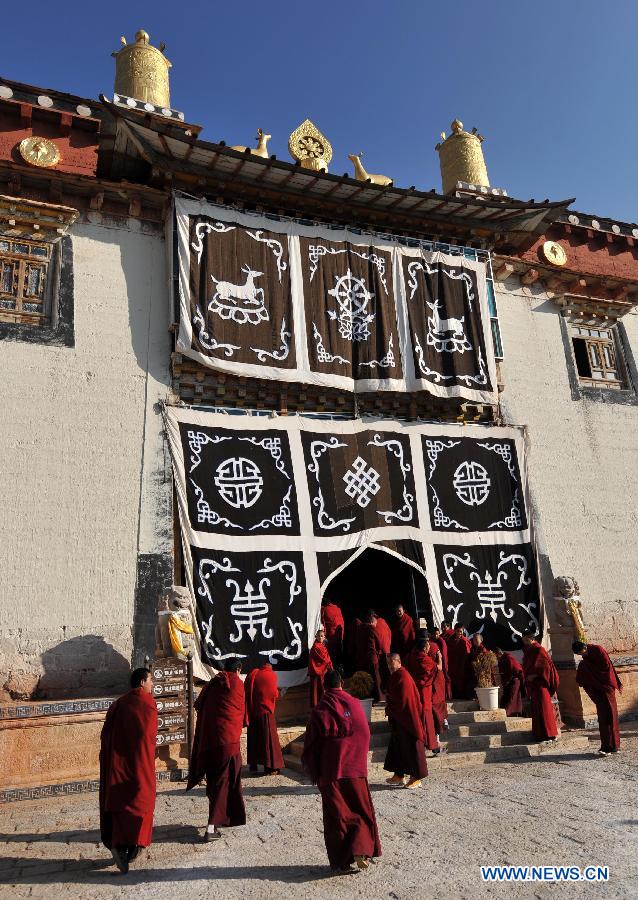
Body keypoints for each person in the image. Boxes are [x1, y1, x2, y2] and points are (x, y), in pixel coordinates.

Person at [302, 669, 382, 873]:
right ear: (341, 684)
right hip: (356, 769)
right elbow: (364, 732)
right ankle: (361, 848)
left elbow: (311, 745)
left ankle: (342, 861)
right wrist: (359, 758)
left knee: (337, 816)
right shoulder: (355, 704)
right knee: (360, 809)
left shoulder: (320, 709)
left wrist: (316, 770)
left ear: (324, 686)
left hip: (332, 772)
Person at [100, 667, 158, 874]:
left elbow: (105, 736)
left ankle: (118, 845)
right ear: (142, 682)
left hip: (117, 765)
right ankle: (138, 844)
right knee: (144, 802)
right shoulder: (147, 703)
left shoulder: (118, 704)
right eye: (150, 680)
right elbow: (147, 739)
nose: (152, 684)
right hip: (140, 764)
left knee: (120, 803)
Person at [187, 658, 246, 841]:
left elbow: (200, 706)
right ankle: (211, 827)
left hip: (209, 741)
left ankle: (220, 819)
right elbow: (240, 713)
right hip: (227, 743)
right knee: (223, 783)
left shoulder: (213, 683)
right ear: (237, 670)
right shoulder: (236, 683)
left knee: (215, 782)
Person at [384, 653, 428, 788]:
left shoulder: (403, 676)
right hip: (400, 718)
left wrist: (391, 707)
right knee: (397, 747)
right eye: (388, 663)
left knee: (411, 747)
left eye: (392, 662)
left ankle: (416, 777)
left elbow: (404, 701)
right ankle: (399, 775)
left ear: (399, 661)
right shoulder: (396, 675)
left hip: (409, 719)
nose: (390, 666)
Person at [573, 640, 622, 756]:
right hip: (598, 688)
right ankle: (605, 745)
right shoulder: (586, 657)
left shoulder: (597, 650)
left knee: (611, 715)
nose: (582, 656)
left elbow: (606, 667)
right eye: (580, 655)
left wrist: (589, 671)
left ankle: (614, 746)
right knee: (603, 718)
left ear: (585, 647)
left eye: (582, 653)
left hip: (606, 686)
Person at [244, 662, 284, 775]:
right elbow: (273, 693)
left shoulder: (253, 674)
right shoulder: (271, 675)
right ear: (270, 667)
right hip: (266, 711)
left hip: (253, 710)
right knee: (269, 740)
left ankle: (253, 764)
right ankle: (270, 767)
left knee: (255, 738)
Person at [521, 632, 559, 743]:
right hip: (534, 686)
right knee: (538, 710)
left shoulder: (539, 649)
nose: (523, 642)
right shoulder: (530, 650)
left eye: (524, 639)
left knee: (544, 709)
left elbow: (545, 667)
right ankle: (540, 735)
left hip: (540, 685)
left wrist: (534, 676)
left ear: (529, 638)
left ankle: (549, 735)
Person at [406, 637, 440, 753]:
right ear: (425, 648)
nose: (430, 648)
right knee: (426, 715)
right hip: (425, 690)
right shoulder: (425, 659)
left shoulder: (411, 656)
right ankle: (431, 744)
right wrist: (439, 658)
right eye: (428, 646)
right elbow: (437, 668)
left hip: (414, 689)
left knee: (416, 713)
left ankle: (418, 742)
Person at [354, 611, 384, 701]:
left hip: (362, 658)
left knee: (366, 679)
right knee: (376, 678)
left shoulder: (359, 629)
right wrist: (379, 652)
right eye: (375, 623)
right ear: (372, 622)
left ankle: (367, 697)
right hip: (372, 657)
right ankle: (378, 697)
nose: (376, 625)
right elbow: (379, 643)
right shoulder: (372, 629)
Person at [427, 633, 449, 737]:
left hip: (434, 676)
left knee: (436, 700)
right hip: (437, 676)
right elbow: (441, 658)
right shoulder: (434, 645)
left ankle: (443, 720)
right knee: (439, 700)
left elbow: (439, 664)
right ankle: (444, 720)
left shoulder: (430, 646)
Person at [495, 648, 525, 716]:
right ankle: (509, 712)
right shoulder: (502, 659)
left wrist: (509, 679)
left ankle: (509, 713)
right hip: (508, 681)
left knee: (512, 698)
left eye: (496, 656)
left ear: (499, 653)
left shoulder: (509, 658)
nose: (496, 658)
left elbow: (517, 669)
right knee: (506, 698)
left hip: (514, 681)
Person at [308, 627, 332, 708]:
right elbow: (325, 660)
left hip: (322, 673)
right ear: (316, 636)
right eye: (319, 636)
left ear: (324, 637)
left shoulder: (322, 646)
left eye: (322, 636)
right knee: (317, 692)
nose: (320, 637)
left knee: (322, 691)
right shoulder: (316, 647)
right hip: (317, 673)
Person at [447, 624, 472, 699]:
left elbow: (468, 653)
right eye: (458, 631)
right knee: (454, 681)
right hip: (453, 664)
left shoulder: (465, 641)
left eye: (461, 631)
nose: (460, 633)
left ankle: (463, 696)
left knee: (462, 681)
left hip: (463, 665)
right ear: (454, 631)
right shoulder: (450, 640)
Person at [430, 626, 452, 701]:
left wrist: (444, 666)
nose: (436, 636)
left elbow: (444, 655)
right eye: (434, 634)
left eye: (437, 634)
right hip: (435, 663)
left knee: (445, 678)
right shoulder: (431, 641)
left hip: (441, 663)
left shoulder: (441, 642)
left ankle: (448, 695)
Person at [321, 599, 345, 666]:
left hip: (331, 637)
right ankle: (340, 670)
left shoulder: (324, 610)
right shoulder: (337, 609)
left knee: (332, 657)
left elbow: (323, 624)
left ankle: (332, 672)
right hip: (340, 636)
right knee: (339, 656)